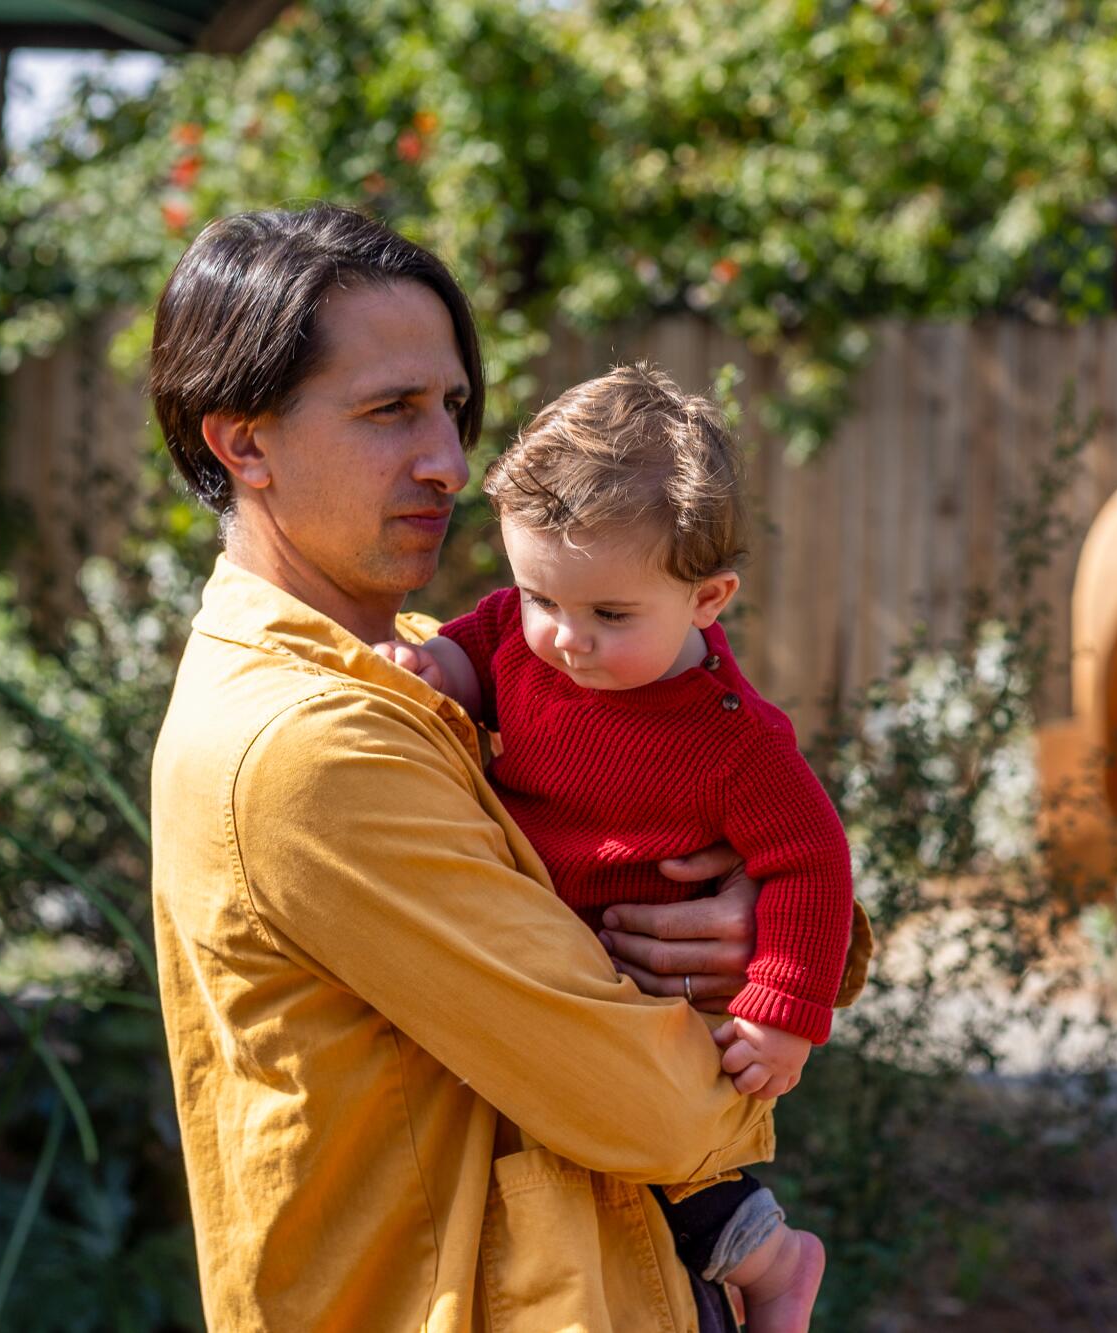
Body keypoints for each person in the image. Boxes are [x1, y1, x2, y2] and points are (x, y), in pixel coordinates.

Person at [144, 202, 871, 1332]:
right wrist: (739, 1029)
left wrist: (760, 930)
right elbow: (652, 1107)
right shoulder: (312, 743)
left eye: (452, 408)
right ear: (243, 442)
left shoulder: (443, 674)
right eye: (389, 412)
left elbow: (678, 766)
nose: (446, 461)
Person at [375, 365, 850, 1332]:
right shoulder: (523, 632)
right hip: (564, 976)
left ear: (708, 598)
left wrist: (784, 1011)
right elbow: (482, 652)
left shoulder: (731, 743)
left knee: (676, 1174)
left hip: (644, 998)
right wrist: (437, 670)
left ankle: (775, 1266)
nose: (564, 638)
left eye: (611, 616)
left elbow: (813, 861)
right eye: (539, 593)